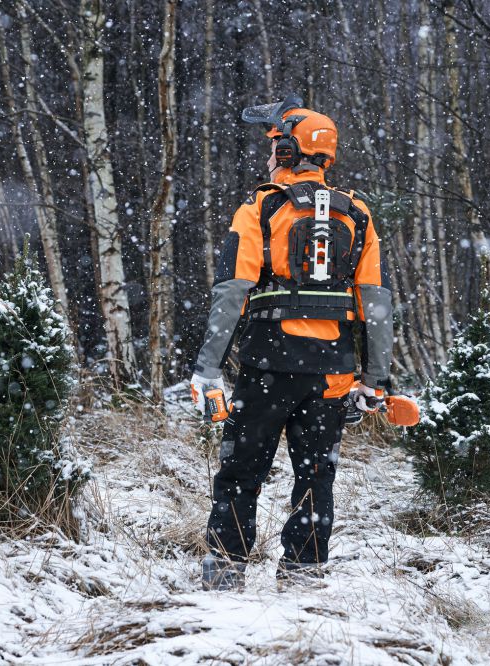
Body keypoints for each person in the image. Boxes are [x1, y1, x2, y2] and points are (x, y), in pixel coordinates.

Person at [190, 94, 394, 590]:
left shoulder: (261, 207)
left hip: (268, 364)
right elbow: (377, 305)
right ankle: (304, 572)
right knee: (315, 474)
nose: (269, 154)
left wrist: (207, 368)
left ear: (287, 150)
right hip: (333, 373)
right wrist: (376, 379)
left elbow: (232, 292)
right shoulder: (359, 215)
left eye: (275, 144)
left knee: (241, 469)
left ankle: (225, 571)